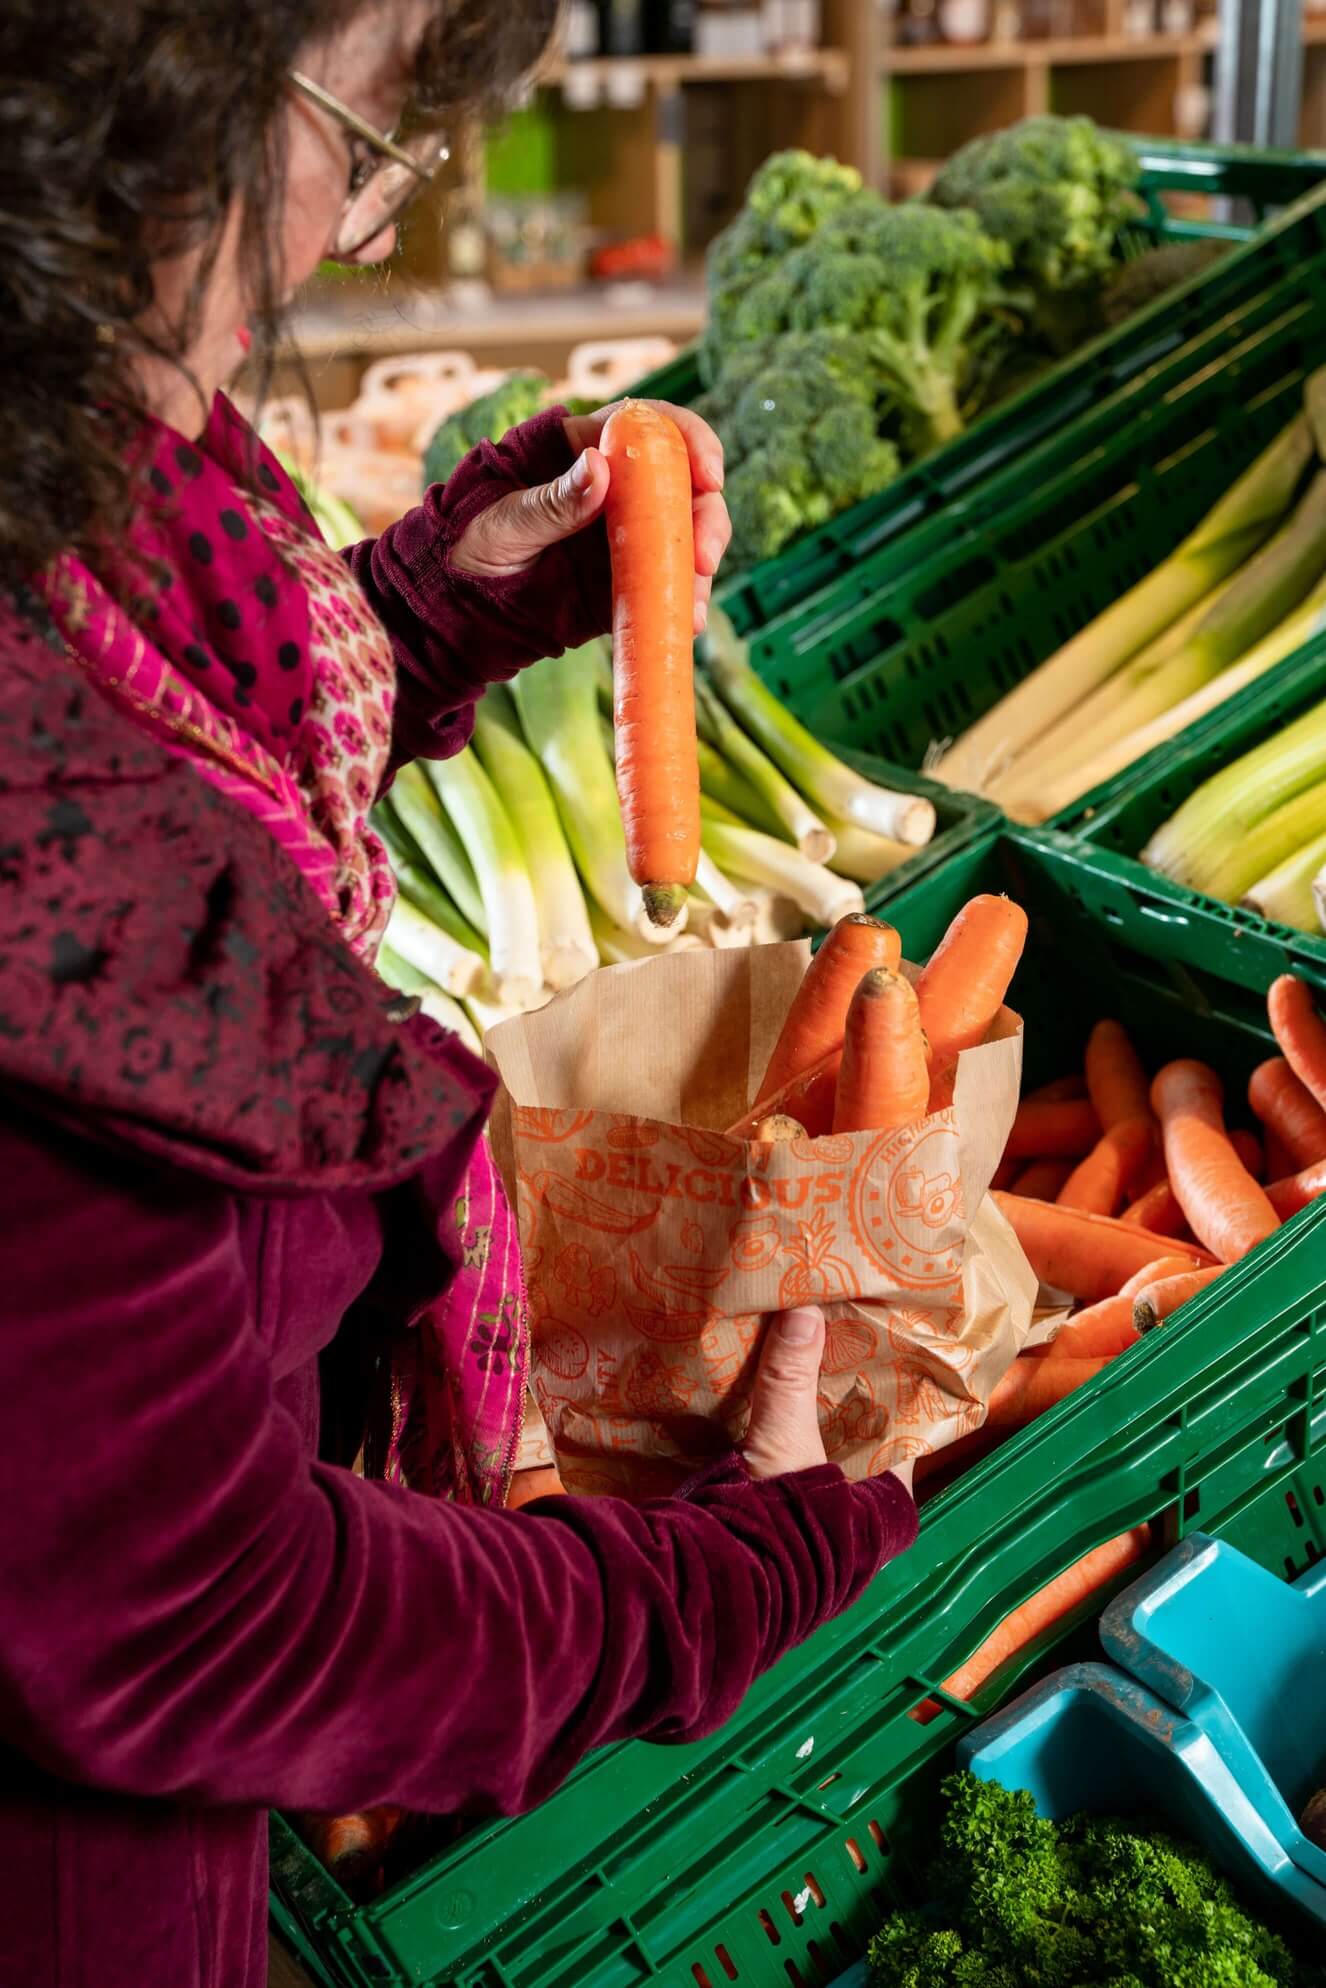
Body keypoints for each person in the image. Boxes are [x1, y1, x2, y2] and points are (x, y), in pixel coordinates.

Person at [0, 4, 919, 1984]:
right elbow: (187, 1613)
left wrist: (436, 602)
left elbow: (174, 791)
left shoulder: (62, 448)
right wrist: (721, 1584)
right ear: (121, 101)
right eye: (363, 125)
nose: (359, 235)